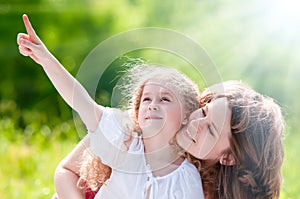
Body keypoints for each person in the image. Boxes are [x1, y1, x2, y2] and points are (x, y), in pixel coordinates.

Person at [17, 14, 205, 199]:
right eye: (147, 99)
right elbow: (80, 101)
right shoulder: (125, 141)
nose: (153, 105)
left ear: (187, 115)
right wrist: (45, 58)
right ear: (137, 113)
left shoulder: (187, 178)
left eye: (165, 99)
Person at [53, 80, 285, 199]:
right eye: (204, 112)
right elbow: (66, 170)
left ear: (228, 158)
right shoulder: (153, 124)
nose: (195, 124)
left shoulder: (206, 192)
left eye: (211, 130)